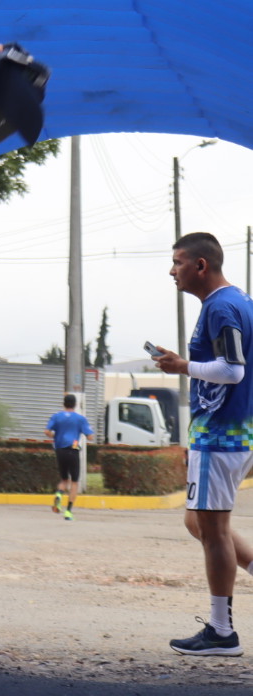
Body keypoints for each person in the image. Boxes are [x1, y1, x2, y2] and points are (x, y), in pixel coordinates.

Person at [154, 231, 253, 656]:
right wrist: (186, 363)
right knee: (199, 522)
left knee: (212, 530)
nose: (171, 270)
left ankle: (221, 632)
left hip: (221, 433)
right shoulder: (237, 302)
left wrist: (182, 366)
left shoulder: (222, 306)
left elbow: (232, 370)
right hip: (228, 430)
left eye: (177, 262)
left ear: (200, 265)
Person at [43, 394, 92, 521]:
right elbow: (90, 436)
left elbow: (47, 431)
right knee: (74, 481)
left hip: (60, 450)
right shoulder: (80, 419)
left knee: (64, 479)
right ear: (75, 404)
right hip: (73, 450)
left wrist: (55, 436)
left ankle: (59, 494)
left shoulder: (56, 416)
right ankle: (69, 511)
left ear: (63, 404)